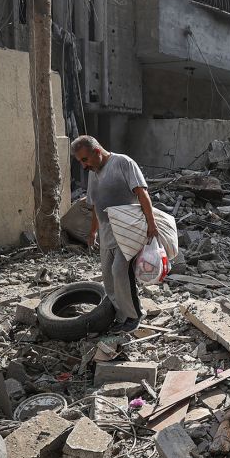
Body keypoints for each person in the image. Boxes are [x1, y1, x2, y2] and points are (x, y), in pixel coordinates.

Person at [71, 135, 158, 332]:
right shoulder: (93, 173)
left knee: (120, 271)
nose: (84, 166)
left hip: (127, 231)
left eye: (85, 160)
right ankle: (121, 316)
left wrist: (151, 224)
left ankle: (135, 315)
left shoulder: (123, 163)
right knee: (109, 279)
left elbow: (142, 195)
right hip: (106, 233)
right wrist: (93, 232)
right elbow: (95, 206)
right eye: (80, 162)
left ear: (97, 151)